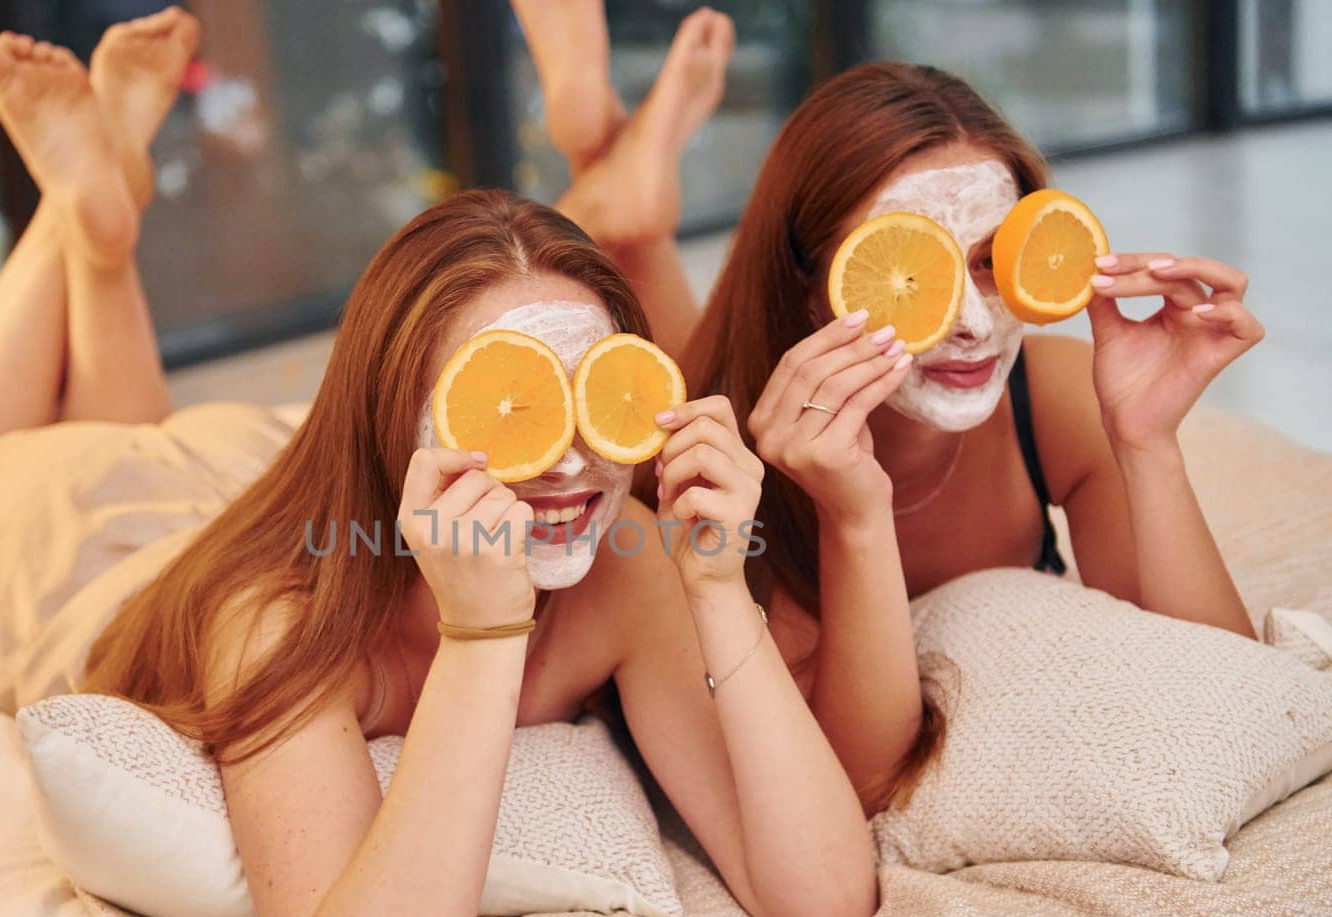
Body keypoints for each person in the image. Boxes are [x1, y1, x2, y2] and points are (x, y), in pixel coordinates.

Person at [0, 15, 876, 917]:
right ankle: (75, 221)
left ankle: (99, 227)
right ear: (393, 420)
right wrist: (482, 640)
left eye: (595, 400)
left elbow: (824, 898)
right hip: (62, 539)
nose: (569, 462)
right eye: (508, 410)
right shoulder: (274, 621)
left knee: (155, 434)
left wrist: (717, 590)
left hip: (218, 468)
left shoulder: (622, 556)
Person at [520, 8, 1266, 810]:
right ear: (810, 287)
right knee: (675, 376)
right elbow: (865, 784)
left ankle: (615, 169)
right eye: (909, 272)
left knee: (688, 334)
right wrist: (854, 515)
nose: (973, 324)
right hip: (731, 410)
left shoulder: (1049, 393)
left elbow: (1230, 691)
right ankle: (607, 177)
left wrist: (1148, 441)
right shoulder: (744, 465)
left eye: (989, 262)